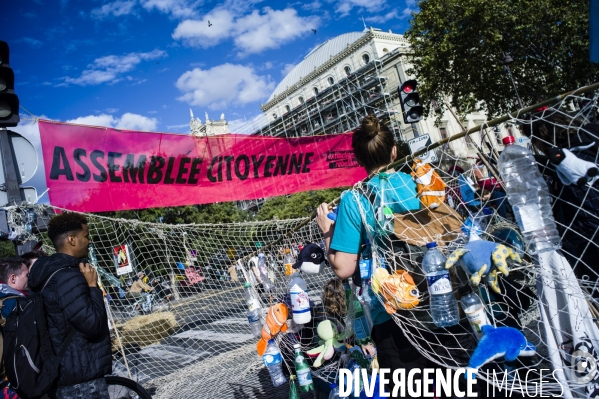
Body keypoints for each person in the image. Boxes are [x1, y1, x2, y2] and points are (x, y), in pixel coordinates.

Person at [316, 115, 428, 396]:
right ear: (393, 151)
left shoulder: (353, 199)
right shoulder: (415, 180)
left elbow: (343, 268)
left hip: (391, 309)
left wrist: (328, 232)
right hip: (433, 294)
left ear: (358, 159)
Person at [28, 213, 111, 399]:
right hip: (80, 377)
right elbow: (92, 324)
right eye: (86, 236)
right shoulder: (68, 275)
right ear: (72, 239)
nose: (89, 242)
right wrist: (92, 286)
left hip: (60, 371)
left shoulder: (45, 274)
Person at [522, 112, 599, 288]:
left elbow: (588, 212)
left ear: (541, 135)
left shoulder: (564, 159)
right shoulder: (591, 137)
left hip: (591, 241)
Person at [0, 257, 29, 394]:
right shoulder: (18, 304)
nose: (30, 278)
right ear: (13, 278)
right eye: (27, 275)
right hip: (13, 378)